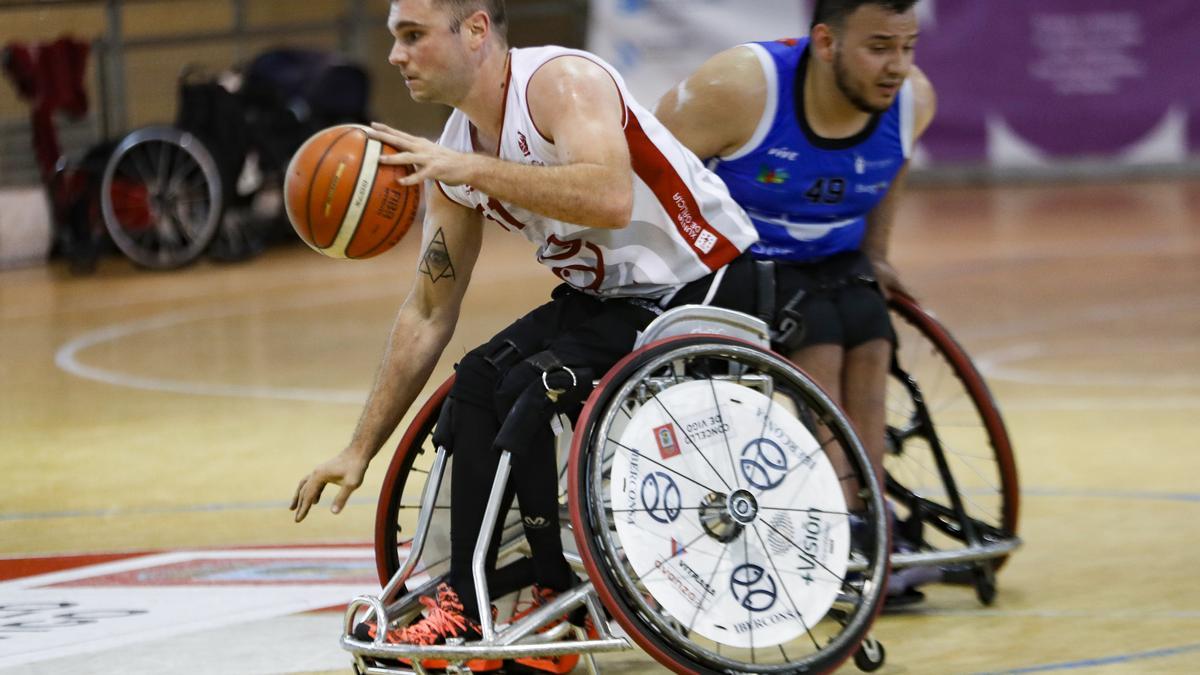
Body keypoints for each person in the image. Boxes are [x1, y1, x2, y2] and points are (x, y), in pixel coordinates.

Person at [289, 0, 759, 660]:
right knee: (479, 377)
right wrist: (359, 448)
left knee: (532, 388)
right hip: (613, 296)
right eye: (397, 38)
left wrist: (472, 172)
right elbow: (428, 310)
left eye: (413, 35)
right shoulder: (454, 153)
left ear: (476, 30)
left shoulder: (560, 83)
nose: (395, 54)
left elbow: (609, 195)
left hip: (704, 277)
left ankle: (540, 593)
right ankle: (467, 598)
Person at [654, 0, 937, 601]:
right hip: (738, 258)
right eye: (879, 46)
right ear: (826, 43)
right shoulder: (740, 86)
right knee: (819, 333)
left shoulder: (914, 99)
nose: (898, 66)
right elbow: (649, 163)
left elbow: (896, 164)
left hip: (830, 257)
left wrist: (879, 254)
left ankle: (867, 513)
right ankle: (835, 523)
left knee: (869, 323)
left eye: (908, 47)